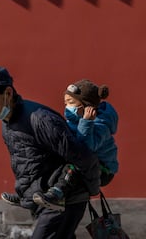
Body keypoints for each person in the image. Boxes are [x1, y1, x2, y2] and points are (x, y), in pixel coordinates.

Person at [0, 66, 101, 239]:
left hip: (62, 201)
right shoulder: (7, 123)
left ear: (8, 93)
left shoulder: (39, 119)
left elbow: (82, 156)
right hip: (44, 202)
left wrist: (92, 188)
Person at [32, 79, 119, 211]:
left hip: (104, 169)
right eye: (66, 103)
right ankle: (29, 195)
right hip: (88, 160)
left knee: (73, 166)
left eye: (71, 103)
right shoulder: (74, 121)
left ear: (87, 107)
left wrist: (87, 122)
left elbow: (86, 148)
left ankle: (57, 194)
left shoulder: (101, 126)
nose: (68, 107)